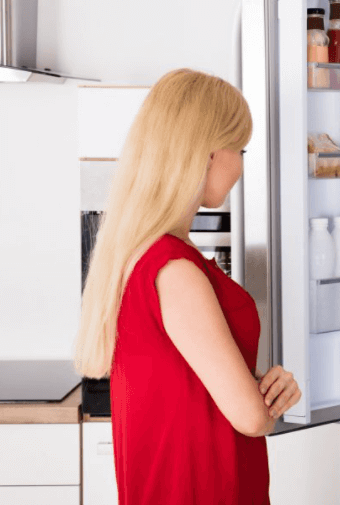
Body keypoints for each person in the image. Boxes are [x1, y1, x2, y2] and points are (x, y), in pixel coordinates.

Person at [75, 69, 300, 504]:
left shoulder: (144, 253)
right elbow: (252, 420)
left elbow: (181, 374)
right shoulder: (175, 269)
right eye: (239, 148)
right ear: (208, 153)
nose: (239, 163)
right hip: (202, 488)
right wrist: (264, 404)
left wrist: (257, 383)